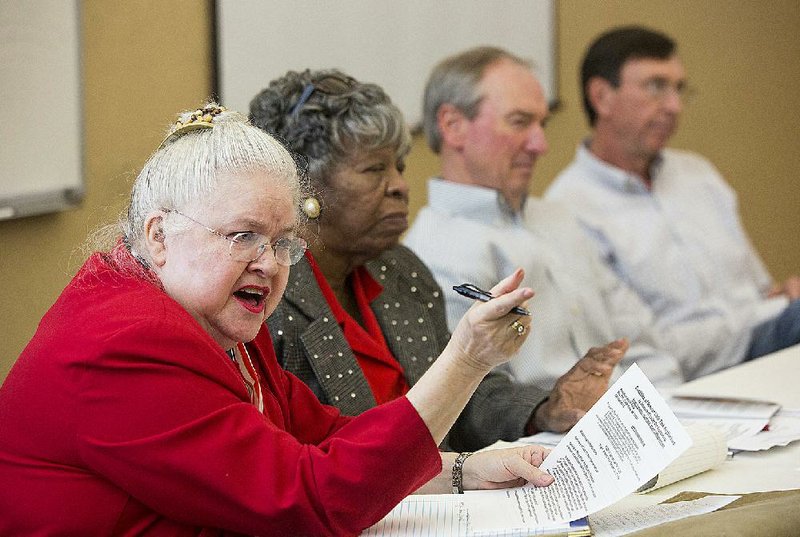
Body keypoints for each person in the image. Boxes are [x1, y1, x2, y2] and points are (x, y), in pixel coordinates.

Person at [0, 104, 558, 536]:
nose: (267, 264)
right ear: (158, 236)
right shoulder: (124, 343)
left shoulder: (214, 318)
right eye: (243, 236)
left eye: (284, 242)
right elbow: (314, 500)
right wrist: (465, 360)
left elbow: (329, 442)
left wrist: (466, 471)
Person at [248, 69, 626, 449]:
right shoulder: (270, 299)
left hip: (446, 494)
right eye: (375, 169)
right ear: (301, 183)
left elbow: (462, 395)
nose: (399, 185)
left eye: (399, 167)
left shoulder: (399, 269)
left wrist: (543, 410)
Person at [404, 46, 683, 391]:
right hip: (550, 436)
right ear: (453, 126)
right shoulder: (433, 253)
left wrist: (678, 409)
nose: (540, 145)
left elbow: (636, 333)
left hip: (646, 409)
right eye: (520, 122)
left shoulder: (558, 217)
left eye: (542, 123)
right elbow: (485, 403)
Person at [545, 26, 800, 380]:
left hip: (771, 345)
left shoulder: (698, 174)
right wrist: (775, 310)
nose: (674, 106)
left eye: (678, 89)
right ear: (602, 97)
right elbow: (647, 351)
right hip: (697, 380)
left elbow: (760, 289)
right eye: (656, 87)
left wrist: (780, 302)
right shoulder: (569, 210)